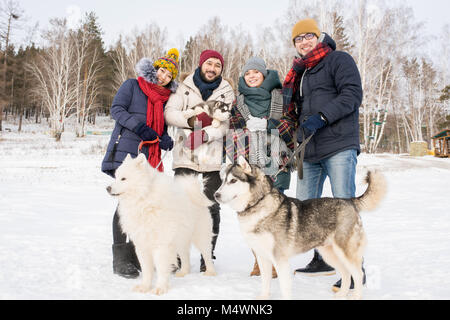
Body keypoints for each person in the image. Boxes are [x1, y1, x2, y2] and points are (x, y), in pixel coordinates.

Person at [278, 18, 364, 291]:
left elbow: (352, 95)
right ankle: (322, 258)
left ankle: (355, 268)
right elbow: (298, 108)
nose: (303, 42)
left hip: (338, 144)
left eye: (308, 37)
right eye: (298, 39)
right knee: (305, 206)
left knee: (343, 208)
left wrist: (323, 116)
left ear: (318, 37)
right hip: (311, 148)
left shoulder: (338, 59)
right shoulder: (300, 72)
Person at [101, 49, 179, 278]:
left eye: (169, 75)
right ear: (155, 69)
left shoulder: (165, 99)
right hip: (127, 151)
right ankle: (121, 258)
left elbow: (160, 126)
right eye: (162, 70)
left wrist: (164, 137)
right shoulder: (133, 86)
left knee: (144, 205)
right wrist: (139, 127)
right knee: (125, 203)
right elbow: (116, 110)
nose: (164, 76)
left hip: (148, 158)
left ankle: (137, 254)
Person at [164, 49, 235, 271]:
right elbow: (169, 113)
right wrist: (193, 120)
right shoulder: (183, 87)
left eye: (217, 65)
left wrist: (205, 134)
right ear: (201, 64)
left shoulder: (226, 90)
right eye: (209, 63)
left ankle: (207, 256)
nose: (212, 68)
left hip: (212, 158)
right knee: (178, 207)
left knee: (211, 208)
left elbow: (224, 123)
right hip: (185, 156)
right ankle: (175, 257)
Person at [225, 57, 295, 278]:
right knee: (252, 218)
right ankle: (259, 261)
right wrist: (240, 161)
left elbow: (291, 126)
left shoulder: (280, 97)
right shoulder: (239, 102)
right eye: (248, 73)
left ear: (264, 74)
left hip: (276, 165)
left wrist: (269, 124)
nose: (252, 76)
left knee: (275, 218)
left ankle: (276, 262)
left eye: (256, 72)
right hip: (249, 170)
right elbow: (233, 134)